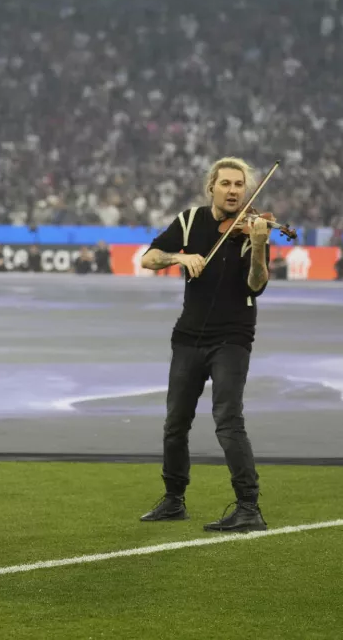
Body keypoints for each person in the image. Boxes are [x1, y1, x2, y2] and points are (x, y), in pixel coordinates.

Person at [137, 156, 270, 533]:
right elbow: (148, 258)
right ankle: (174, 500)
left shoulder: (254, 228)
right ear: (211, 186)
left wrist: (258, 247)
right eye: (226, 183)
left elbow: (256, 284)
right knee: (175, 423)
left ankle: (249, 506)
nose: (233, 191)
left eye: (239, 185)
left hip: (233, 337)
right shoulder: (189, 221)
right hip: (189, 336)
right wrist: (180, 257)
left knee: (228, 421)